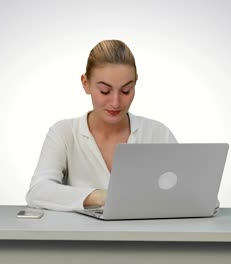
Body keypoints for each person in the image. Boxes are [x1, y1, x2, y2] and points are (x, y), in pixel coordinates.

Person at [25, 40, 177, 211]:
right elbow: (38, 191)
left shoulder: (157, 133)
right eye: (105, 91)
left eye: (126, 90)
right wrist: (98, 196)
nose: (116, 102)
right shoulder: (64, 133)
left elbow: (190, 194)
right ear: (86, 84)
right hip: (81, 236)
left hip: (144, 235)